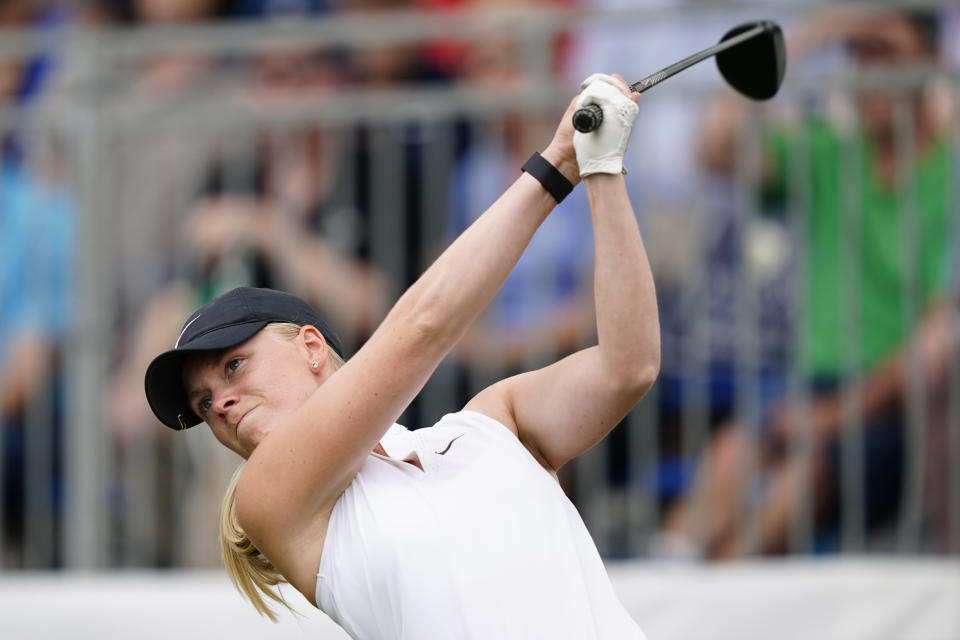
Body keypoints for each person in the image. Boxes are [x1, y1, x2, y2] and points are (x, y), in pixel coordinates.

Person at [144, 73, 658, 637]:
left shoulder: (494, 421)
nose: (219, 403)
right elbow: (423, 327)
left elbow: (627, 366)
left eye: (233, 366)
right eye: (202, 401)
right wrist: (559, 161)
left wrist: (602, 165)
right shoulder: (267, 497)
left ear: (311, 346)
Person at [659, 8, 956, 558]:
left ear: (930, 64)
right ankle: (665, 586)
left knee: (798, 477)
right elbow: (717, 148)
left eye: (886, 54)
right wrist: (808, 39)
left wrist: (835, 413)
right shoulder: (830, 151)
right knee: (729, 454)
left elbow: (939, 340)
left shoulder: (951, 167)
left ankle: (697, 611)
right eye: (858, 54)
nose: (868, 71)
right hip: (812, 388)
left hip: (905, 407)